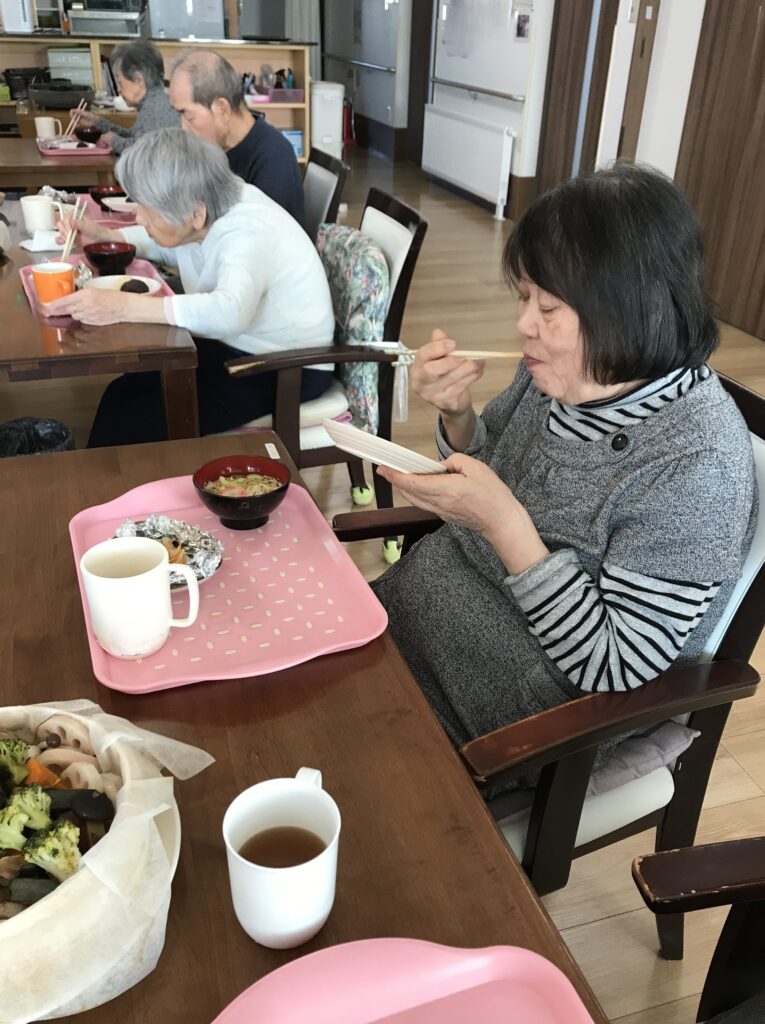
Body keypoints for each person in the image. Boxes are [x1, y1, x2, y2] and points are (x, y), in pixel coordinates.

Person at [370, 163, 758, 761]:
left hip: (501, 719)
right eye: (525, 297)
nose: (524, 323)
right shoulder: (562, 373)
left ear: (635, 309)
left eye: (548, 307)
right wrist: (457, 414)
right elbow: (487, 469)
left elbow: (615, 663)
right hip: (404, 625)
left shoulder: (698, 464)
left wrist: (505, 524)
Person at [44, 129, 334, 446]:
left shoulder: (248, 230)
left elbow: (230, 312)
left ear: (196, 213)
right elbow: (176, 244)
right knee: (122, 393)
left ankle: (139, 476)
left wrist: (123, 307)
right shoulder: (212, 203)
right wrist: (109, 237)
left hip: (285, 368)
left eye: (147, 209)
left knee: (129, 421)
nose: (138, 217)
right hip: (240, 347)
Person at [169, 49, 306, 230]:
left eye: (188, 115)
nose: (183, 128)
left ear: (222, 109)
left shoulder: (273, 159)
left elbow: (258, 237)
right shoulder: (216, 149)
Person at [69, 40, 179, 155]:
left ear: (138, 80)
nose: (118, 90)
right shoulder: (159, 100)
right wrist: (98, 123)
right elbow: (135, 136)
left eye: (119, 82)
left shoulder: (153, 107)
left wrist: (113, 140)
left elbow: (141, 150)